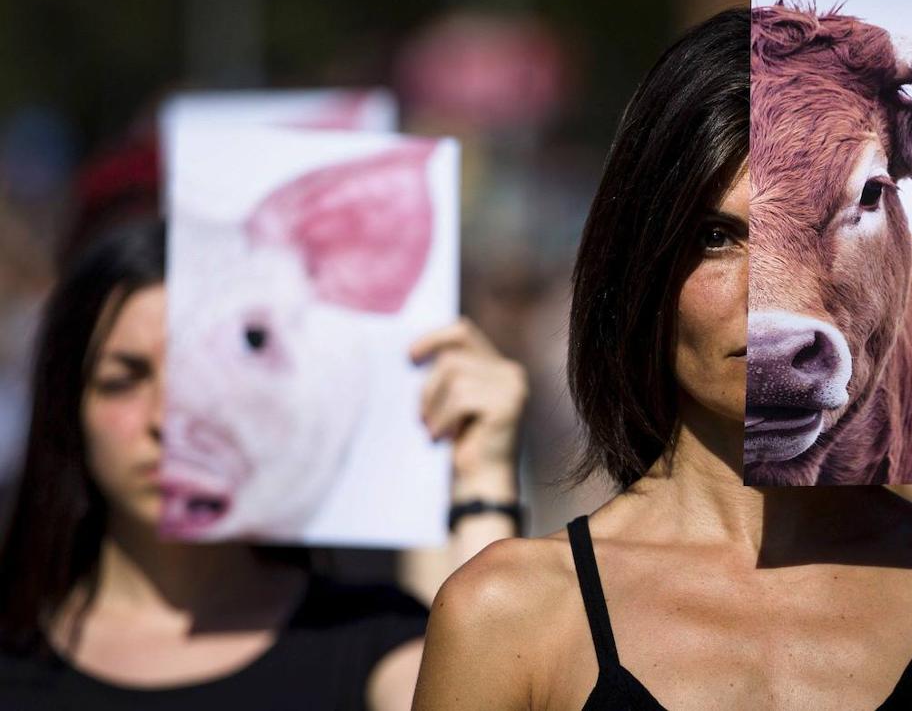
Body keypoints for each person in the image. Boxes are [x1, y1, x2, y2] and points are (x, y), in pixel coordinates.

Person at [411, 8, 912, 710]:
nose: (769, 299)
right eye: (718, 238)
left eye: (859, 200)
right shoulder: (510, 611)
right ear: (643, 268)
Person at [0, 218, 526, 710]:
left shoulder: (373, 637)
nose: (169, 418)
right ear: (68, 408)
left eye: (210, 373)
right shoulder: (14, 652)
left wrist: (484, 478)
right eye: (124, 380)